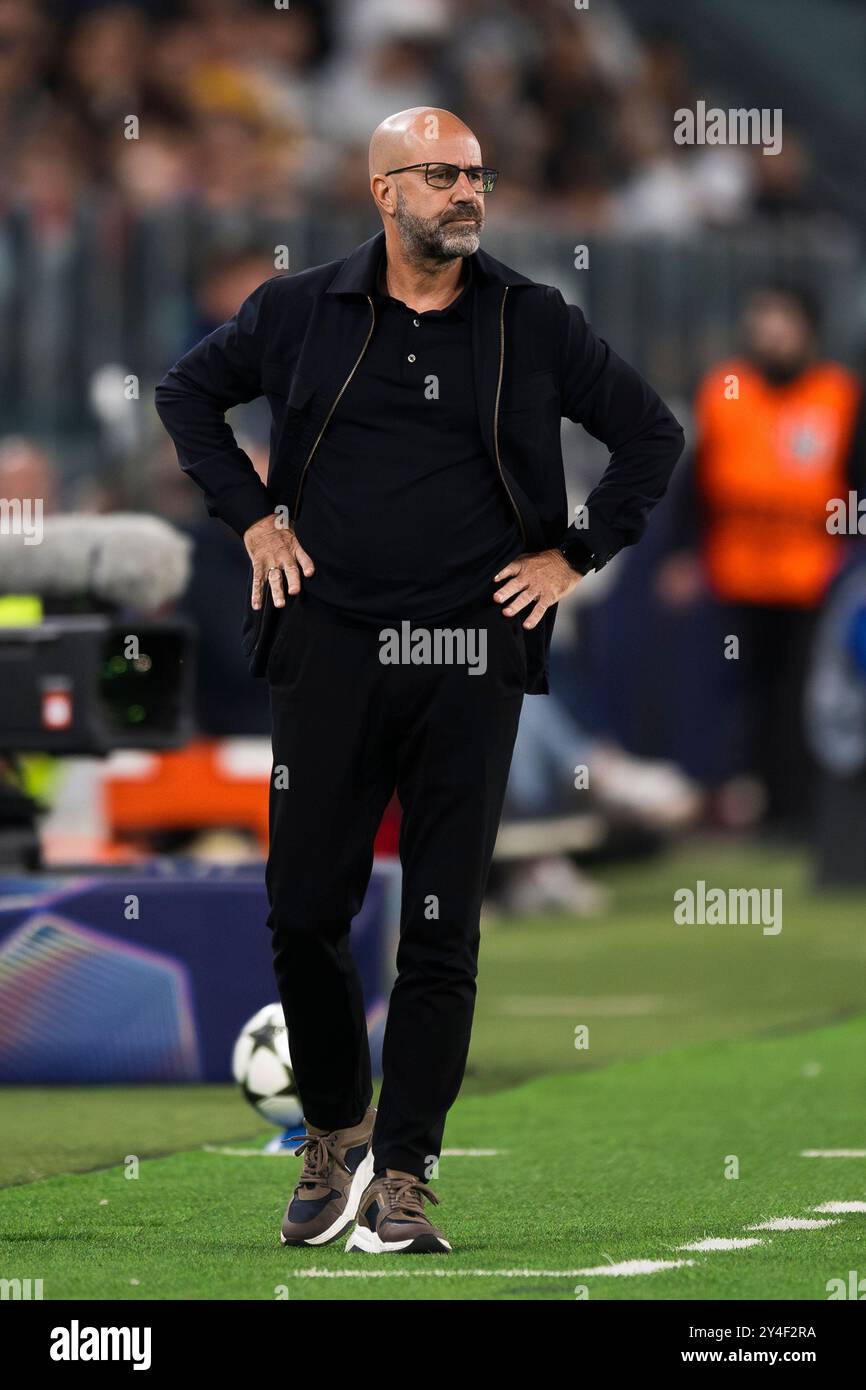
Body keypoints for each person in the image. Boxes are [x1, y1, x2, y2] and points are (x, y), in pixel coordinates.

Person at [155, 107, 684, 1255]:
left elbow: (650, 434)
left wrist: (575, 553)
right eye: (439, 174)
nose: (465, 192)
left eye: (477, 175)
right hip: (328, 642)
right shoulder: (299, 310)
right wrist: (250, 520)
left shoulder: (533, 321)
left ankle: (403, 1172)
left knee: (440, 927)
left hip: (470, 650)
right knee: (303, 910)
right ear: (382, 190)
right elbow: (185, 395)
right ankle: (336, 1133)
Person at [659, 283, 861, 833]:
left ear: (808, 328)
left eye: (782, 318)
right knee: (726, 697)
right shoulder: (728, 390)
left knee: (799, 700)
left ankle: (798, 813)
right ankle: (730, 806)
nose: (770, 330)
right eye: (762, 317)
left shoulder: (838, 395)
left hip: (811, 577)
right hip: (735, 574)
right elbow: (694, 483)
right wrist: (682, 554)